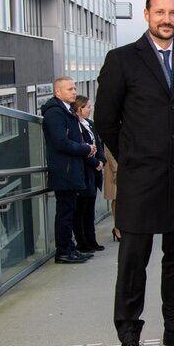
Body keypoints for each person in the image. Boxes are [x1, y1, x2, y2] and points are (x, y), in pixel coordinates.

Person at [94, 0, 174, 346]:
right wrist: (134, 158)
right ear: (146, 15)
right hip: (141, 181)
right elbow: (105, 120)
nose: (167, 19)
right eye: (160, 12)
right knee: (133, 263)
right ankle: (129, 338)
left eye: (173, 13)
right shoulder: (121, 59)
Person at [41, 77, 96, 264]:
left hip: (70, 169)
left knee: (69, 211)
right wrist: (85, 148)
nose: (74, 91)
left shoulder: (65, 111)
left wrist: (86, 147)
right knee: (65, 213)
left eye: (74, 88)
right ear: (58, 92)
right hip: (64, 171)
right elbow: (61, 142)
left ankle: (69, 248)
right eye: (70, 89)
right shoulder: (55, 113)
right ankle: (64, 251)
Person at [71, 95, 107, 254]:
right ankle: (82, 242)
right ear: (80, 109)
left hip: (93, 172)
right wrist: (95, 163)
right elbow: (82, 149)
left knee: (89, 208)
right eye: (88, 107)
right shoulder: (74, 126)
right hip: (84, 171)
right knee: (81, 209)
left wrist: (101, 161)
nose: (90, 109)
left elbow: (98, 145)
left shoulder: (90, 125)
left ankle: (91, 240)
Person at [102, 145, 120, 242]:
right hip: (115, 169)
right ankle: (117, 228)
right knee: (116, 198)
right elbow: (109, 151)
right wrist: (116, 170)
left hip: (125, 168)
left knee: (122, 200)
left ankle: (120, 227)